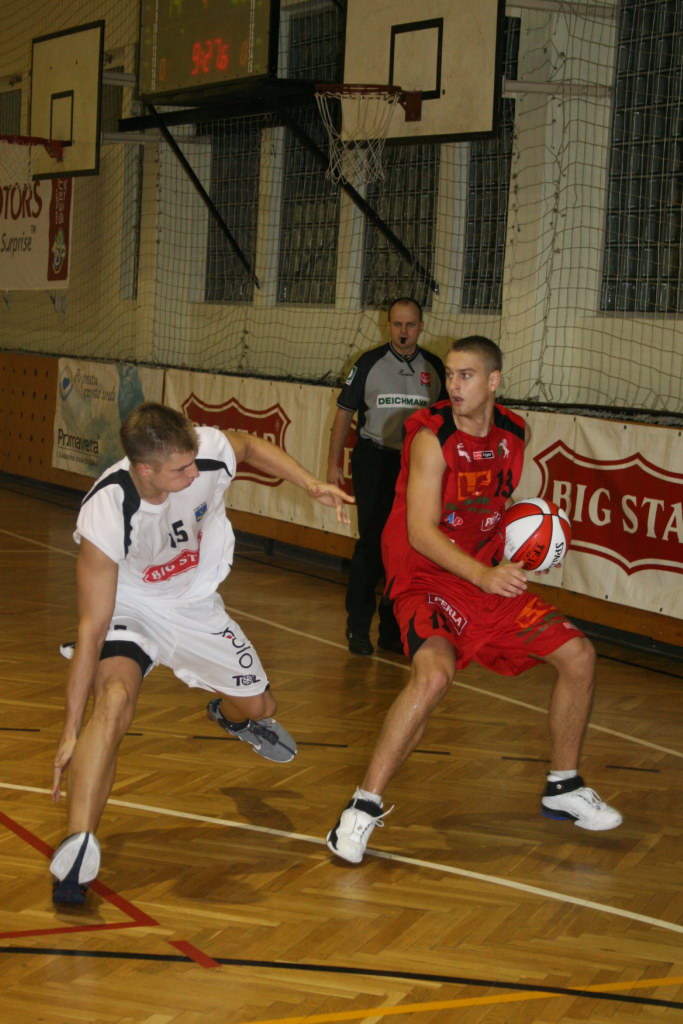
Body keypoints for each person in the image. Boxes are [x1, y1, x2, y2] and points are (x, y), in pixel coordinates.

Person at [326, 336, 622, 864]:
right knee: (434, 676)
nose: (454, 385)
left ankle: (564, 785)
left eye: (466, 375)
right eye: (450, 375)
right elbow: (420, 532)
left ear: (493, 381)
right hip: (425, 576)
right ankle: (361, 808)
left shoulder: (515, 433)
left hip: (483, 574)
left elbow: (493, 505)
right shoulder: (431, 437)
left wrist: (524, 544)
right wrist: (484, 575)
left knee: (579, 655)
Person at [50, 401, 353, 904]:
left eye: (193, 462)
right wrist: (69, 730)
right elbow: (92, 627)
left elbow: (249, 446)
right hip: (131, 605)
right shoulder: (108, 506)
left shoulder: (203, 450)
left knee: (262, 707)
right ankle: (76, 853)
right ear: (144, 469)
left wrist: (310, 484)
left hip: (193, 603)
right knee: (115, 701)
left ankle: (231, 718)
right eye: (180, 470)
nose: (195, 473)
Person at [326, 297, 446, 656]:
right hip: (375, 461)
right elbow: (343, 415)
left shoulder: (436, 368)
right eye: (397, 324)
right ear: (388, 325)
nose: (403, 331)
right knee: (372, 544)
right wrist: (333, 463)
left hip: (418, 467)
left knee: (407, 548)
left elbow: (448, 423)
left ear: (421, 326)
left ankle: (393, 631)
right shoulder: (368, 363)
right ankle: (358, 627)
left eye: (410, 325)